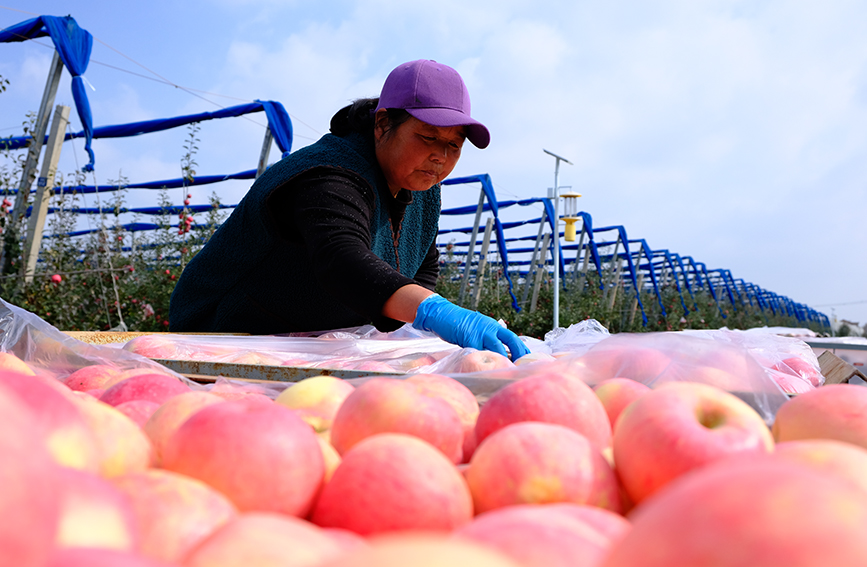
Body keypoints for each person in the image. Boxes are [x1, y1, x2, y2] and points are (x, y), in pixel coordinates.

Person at [169, 59, 529, 361]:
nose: (441, 156)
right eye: (428, 136)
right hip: (219, 342)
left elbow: (422, 263)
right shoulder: (328, 174)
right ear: (382, 124)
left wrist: (406, 333)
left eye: (454, 145)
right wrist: (435, 312)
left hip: (304, 348)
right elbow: (342, 260)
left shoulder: (420, 189)